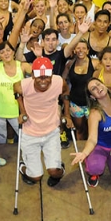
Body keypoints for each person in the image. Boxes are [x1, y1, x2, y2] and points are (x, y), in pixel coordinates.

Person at [14, 57, 72, 187]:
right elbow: (16, 91)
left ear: (51, 75)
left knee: (55, 172)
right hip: (30, 133)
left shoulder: (59, 82)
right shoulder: (23, 85)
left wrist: (66, 114)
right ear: (33, 75)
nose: (43, 81)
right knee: (35, 177)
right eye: (39, 77)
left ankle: (57, 167)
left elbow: (66, 93)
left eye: (46, 77)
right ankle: (23, 166)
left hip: (51, 132)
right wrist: (22, 111)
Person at [71, 78, 111, 191]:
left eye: (98, 84)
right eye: (93, 89)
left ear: (104, 85)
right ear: (92, 96)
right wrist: (84, 153)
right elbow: (92, 139)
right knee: (96, 168)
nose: (98, 88)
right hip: (101, 147)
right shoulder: (95, 113)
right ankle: (92, 163)